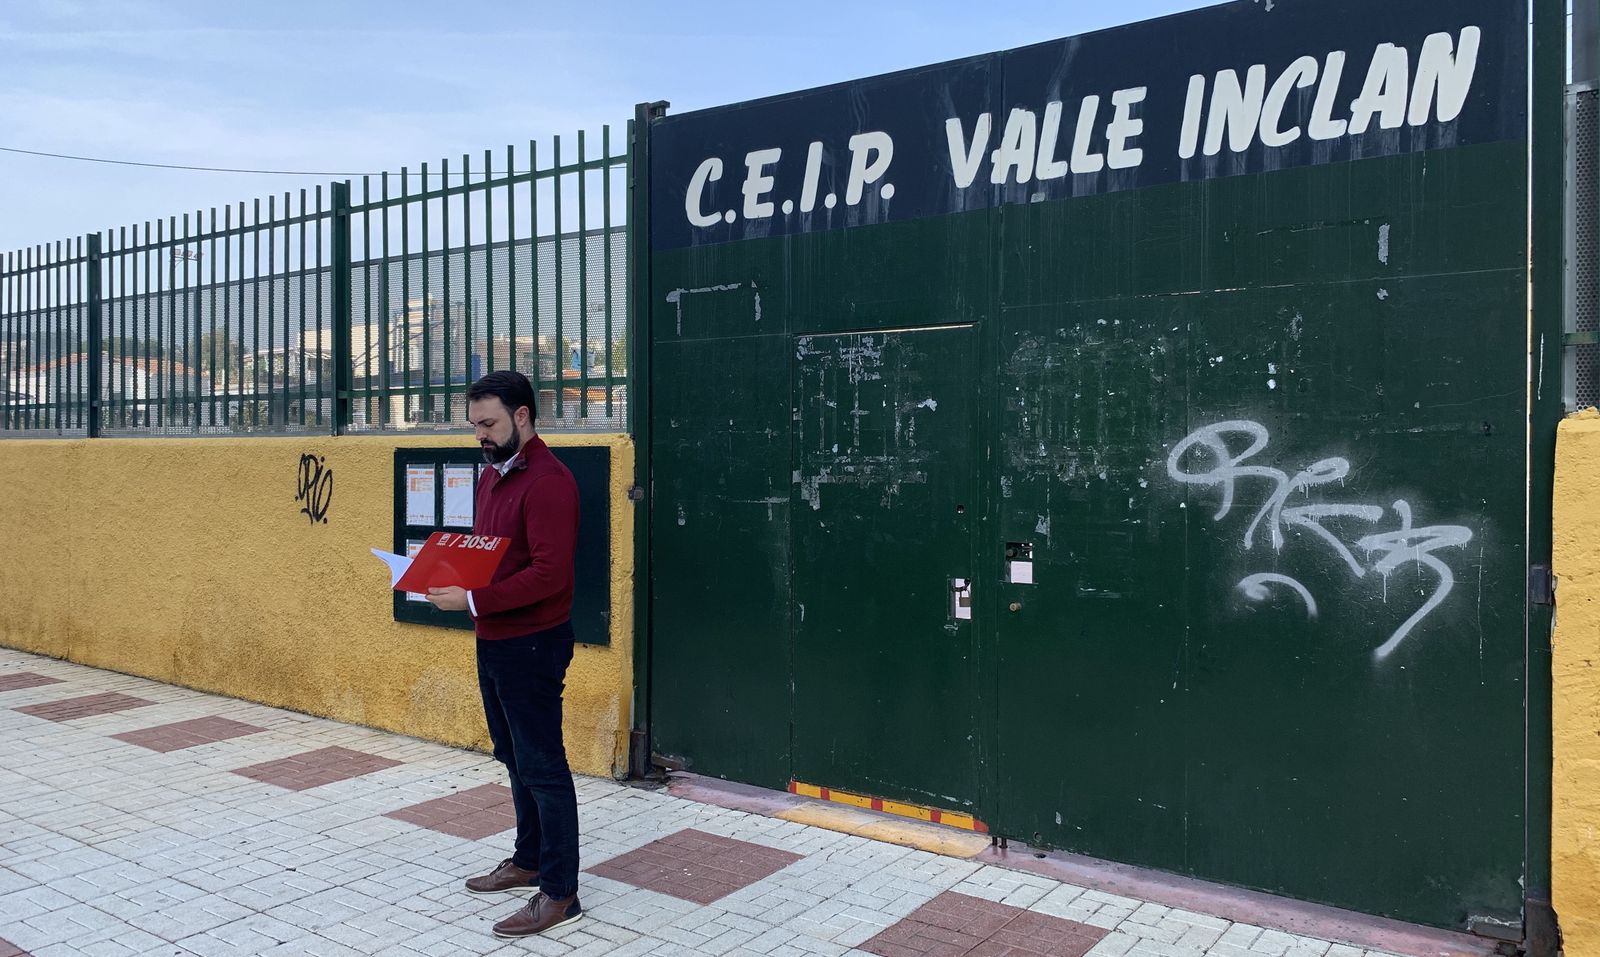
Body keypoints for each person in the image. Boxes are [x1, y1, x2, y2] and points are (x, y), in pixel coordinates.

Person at [425, 370, 583, 939]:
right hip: (493, 638)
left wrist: (470, 597)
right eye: (474, 426)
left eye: (488, 423)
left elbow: (550, 573)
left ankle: (561, 892)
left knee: (542, 764)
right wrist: (445, 571)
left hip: (534, 643)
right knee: (513, 756)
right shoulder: (494, 478)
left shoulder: (549, 482)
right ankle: (528, 858)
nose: (480, 436)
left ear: (522, 416)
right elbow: (491, 554)